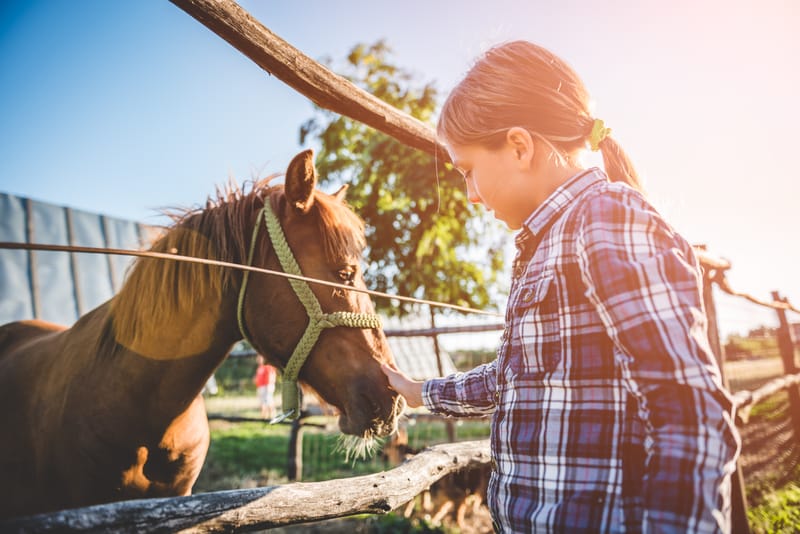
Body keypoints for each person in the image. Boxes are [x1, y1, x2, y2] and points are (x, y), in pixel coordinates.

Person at [382, 40, 740, 533]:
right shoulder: (547, 243)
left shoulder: (606, 218)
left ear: (519, 146)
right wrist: (421, 391)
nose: (469, 195)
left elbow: (688, 409)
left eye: (468, 171)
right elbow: (516, 377)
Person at [253, 354, 277, 419]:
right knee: (263, 401)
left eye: (260, 358)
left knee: (269, 400)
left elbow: (271, 376)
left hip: (267, 386)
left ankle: (273, 415)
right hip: (261, 386)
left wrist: (268, 386)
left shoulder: (267, 366)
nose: (258, 359)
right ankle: (264, 416)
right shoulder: (260, 367)